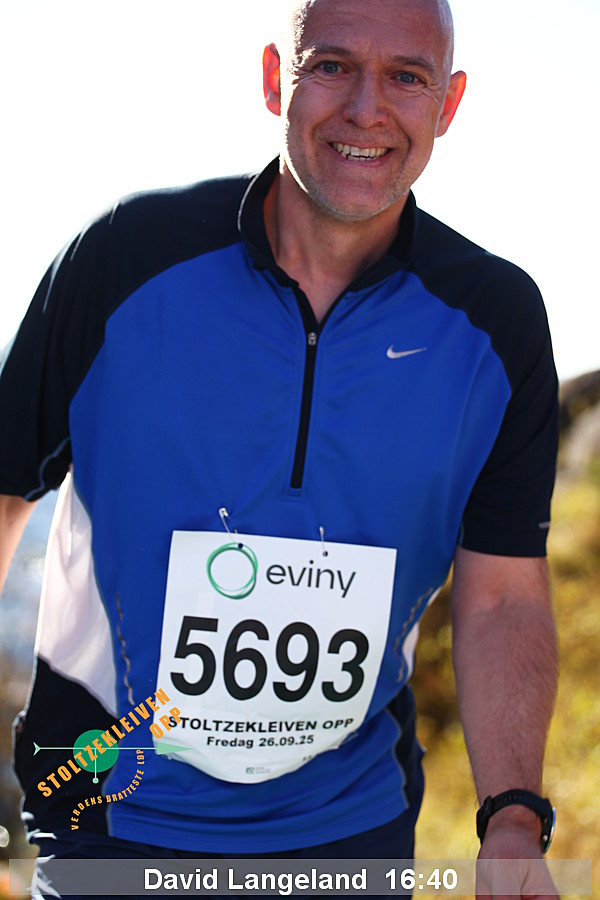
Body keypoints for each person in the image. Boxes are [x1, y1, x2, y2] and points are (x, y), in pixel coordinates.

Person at [0, 0, 559, 896]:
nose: (366, 109)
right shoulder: (124, 259)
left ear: (448, 104)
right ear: (275, 80)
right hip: (107, 816)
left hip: (351, 831)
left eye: (406, 77)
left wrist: (513, 821)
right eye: (331, 65)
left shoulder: (498, 321)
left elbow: (501, 598)